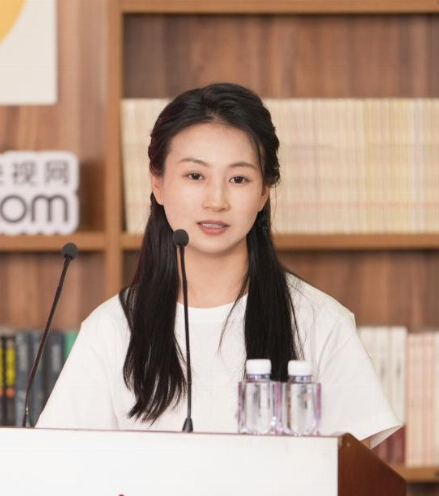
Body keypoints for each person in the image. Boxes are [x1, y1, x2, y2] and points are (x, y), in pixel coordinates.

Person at [37, 82, 399, 448]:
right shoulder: (112, 328)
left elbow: (354, 474)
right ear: (157, 182)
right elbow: (60, 463)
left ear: (264, 191)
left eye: (238, 179)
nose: (216, 201)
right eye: (195, 176)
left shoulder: (319, 322)